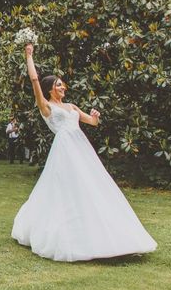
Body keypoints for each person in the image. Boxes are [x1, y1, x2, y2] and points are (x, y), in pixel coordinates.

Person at [11, 43, 157, 262]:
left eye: (63, 85)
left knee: (93, 184)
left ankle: (109, 234)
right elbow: (34, 81)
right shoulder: (47, 107)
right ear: (51, 88)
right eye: (59, 85)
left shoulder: (71, 106)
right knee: (67, 188)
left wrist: (95, 115)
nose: (63, 88)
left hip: (81, 148)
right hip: (64, 149)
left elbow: (91, 122)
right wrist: (29, 56)